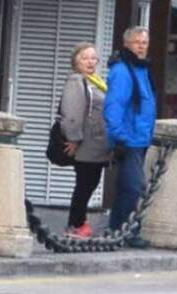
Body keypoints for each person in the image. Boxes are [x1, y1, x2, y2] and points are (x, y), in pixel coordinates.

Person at [104, 26, 157, 249]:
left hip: (140, 138)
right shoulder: (123, 71)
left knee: (128, 186)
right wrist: (119, 137)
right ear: (126, 45)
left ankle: (122, 229)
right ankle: (122, 230)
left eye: (145, 42)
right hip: (129, 139)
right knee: (134, 187)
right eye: (137, 42)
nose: (142, 46)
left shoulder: (141, 69)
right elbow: (114, 106)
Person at [60, 43, 110, 238]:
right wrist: (73, 138)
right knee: (85, 183)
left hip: (97, 144)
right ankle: (76, 224)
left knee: (91, 182)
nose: (90, 62)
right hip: (86, 143)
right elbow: (71, 112)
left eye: (93, 58)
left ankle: (79, 221)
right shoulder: (77, 81)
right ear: (76, 61)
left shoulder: (95, 81)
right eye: (85, 58)